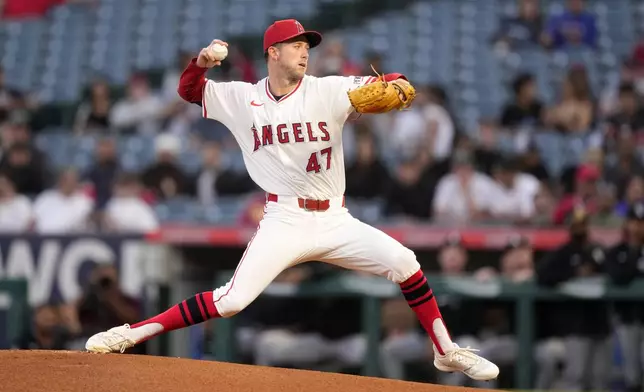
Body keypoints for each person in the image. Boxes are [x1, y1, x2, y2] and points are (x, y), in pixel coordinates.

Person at [85, 19, 499, 381]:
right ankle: (132, 333)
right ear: (273, 53)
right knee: (232, 301)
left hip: (336, 218)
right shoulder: (241, 98)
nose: (305, 53)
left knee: (406, 262)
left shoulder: (328, 90)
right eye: (297, 46)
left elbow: (386, 84)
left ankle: (446, 350)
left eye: (307, 47)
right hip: (285, 218)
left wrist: (394, 83)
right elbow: (188, 90)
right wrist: (201, 63)